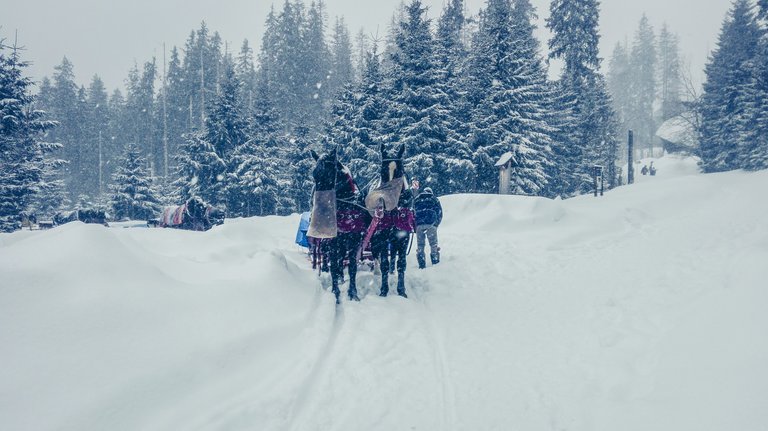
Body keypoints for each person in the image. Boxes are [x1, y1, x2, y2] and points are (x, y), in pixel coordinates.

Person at [414, 187, 442, 269]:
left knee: (420, 245)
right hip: (431, 224)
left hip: (419, 225)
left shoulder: (417, 199)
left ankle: (421, 263)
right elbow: (439, 213)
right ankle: (435, 261)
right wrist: (436, 224)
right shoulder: (434, 199)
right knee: (433, 244)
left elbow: (413, 212)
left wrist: (415, 225)